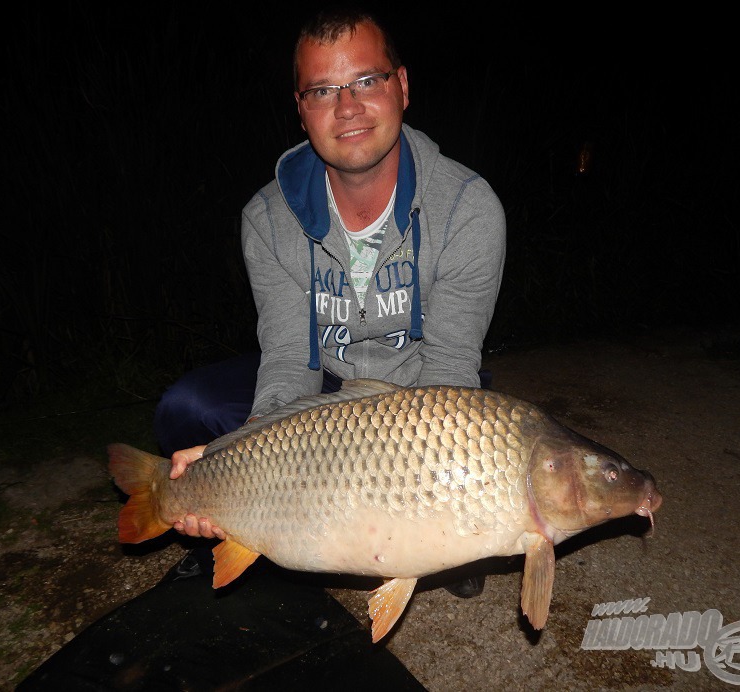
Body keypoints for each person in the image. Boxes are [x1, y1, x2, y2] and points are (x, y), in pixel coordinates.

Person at [154, 8, 506, 598]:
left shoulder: (468, 208)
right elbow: (290, 359)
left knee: (471, 487)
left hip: (427, 398)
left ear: (401, 86)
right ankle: (251, 523)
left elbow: (450, 366)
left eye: (366, 81)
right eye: (323, 90)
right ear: (301, 107)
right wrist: (234, 461)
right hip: (321, 392)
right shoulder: (267, 219)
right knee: (188, 408)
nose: (347, 107)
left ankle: (424, 532)